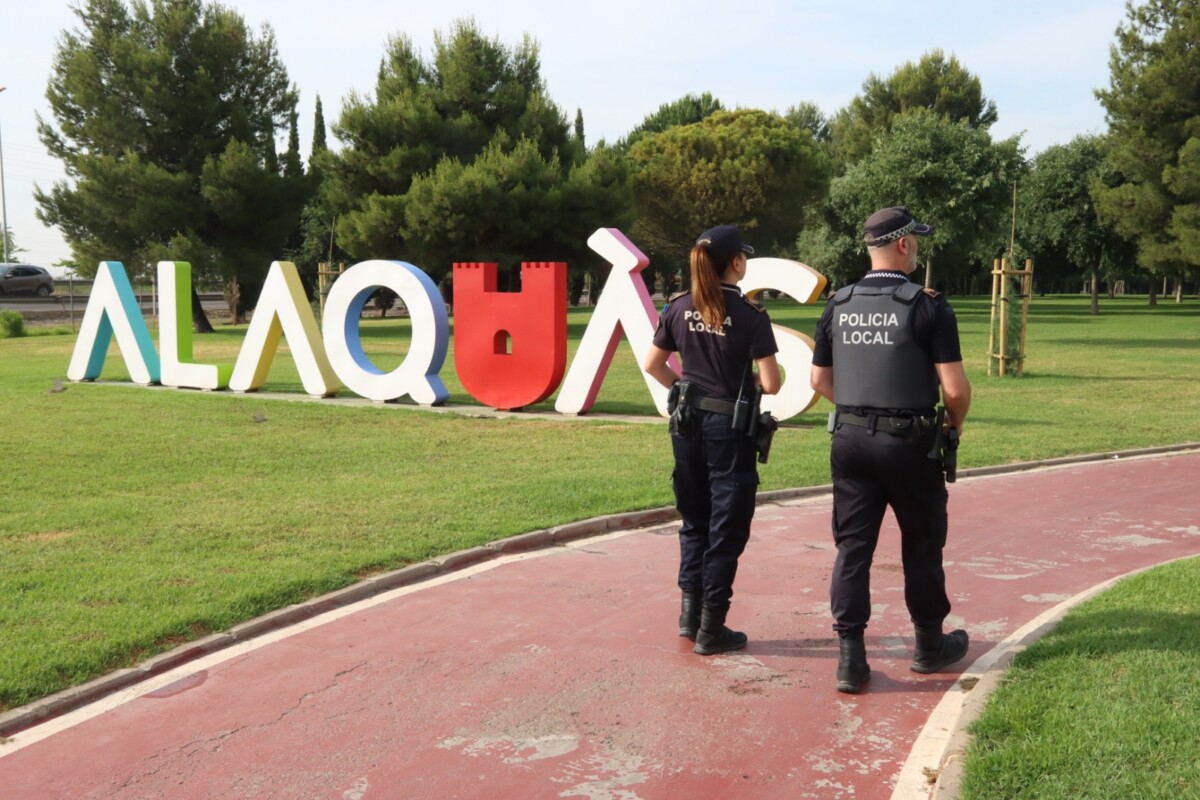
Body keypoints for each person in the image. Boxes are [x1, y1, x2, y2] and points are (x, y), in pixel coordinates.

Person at [809, 206, 972, 694]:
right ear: (903, 245)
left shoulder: (838, 303)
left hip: (850, 441)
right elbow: (956, 390)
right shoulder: (928, 306)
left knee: (852, 548)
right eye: (915, 241)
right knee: (922, 544)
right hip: (910, 442)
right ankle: (928, 645)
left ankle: (850, 660)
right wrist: (952, 424)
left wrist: (863, 410)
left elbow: (818, 380)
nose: (917, 248)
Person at [644, 224, 781, 656]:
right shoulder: (750, 315)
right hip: (728, 430)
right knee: (727, 527)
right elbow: (772, 383)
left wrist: (681, 390)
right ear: (736, 263)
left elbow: (654, 364)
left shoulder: (679, 306)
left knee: (694, 521)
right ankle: (712, 627)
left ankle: (690, 615)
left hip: (686, 426)